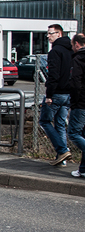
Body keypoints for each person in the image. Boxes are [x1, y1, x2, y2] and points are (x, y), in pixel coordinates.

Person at [41, 24, 74, 166]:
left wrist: (49, 94)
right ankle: (62, 158)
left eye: (51, 33)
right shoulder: (71, 50)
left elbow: (53, 75)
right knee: (60, 124)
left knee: (45, 121)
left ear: (59, 34)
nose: (48, 36)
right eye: (47, 34)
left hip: (57, 93)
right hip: (68, 93)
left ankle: (62, 150)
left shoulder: (55, 52)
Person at [68, 33, 85, 177]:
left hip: (81, 103)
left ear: (77, 45)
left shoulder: (78, 59)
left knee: (73, 133)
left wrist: (74, 101)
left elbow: (75, 82)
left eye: (72, 45)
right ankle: (83, 169)